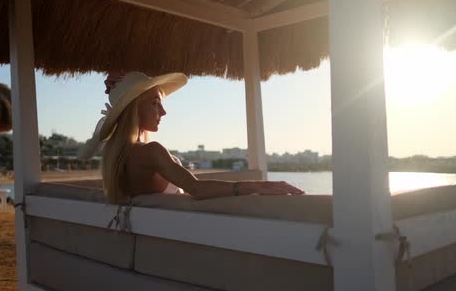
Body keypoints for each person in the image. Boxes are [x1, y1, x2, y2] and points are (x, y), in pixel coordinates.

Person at [79, 71, 304, 205]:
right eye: (155, 104)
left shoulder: (117, 156)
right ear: (133, 110)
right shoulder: (150, 152)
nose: (163, 112)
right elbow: (196, 189)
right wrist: (260, 186)